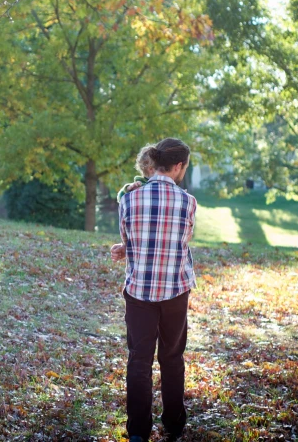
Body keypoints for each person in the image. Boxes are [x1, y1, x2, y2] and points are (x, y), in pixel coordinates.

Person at [110, 138, 196, 442]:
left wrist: (125, 248)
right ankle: (173, 425)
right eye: (184, 166)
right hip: (175, 290)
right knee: (172, 358)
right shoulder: (188, 202)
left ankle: (137, 433)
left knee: (139, 359)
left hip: (139, 292)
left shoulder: (129, 199)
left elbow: (129, 239)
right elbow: (181, 242)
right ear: (177, 166)